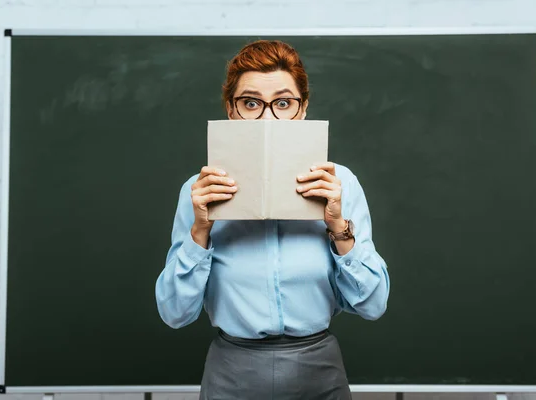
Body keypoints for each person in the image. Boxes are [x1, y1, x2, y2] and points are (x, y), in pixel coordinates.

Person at [155, 39, 390, 400]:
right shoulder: (200, 190)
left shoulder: (339, 184)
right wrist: (200, 230)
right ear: (231, 111)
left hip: (319, 369)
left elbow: (373, 305)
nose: (267, 117)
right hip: (232, 370)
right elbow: (174, 313)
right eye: (251, 103)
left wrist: (338, 227)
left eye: (283, 103)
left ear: (303, 109)